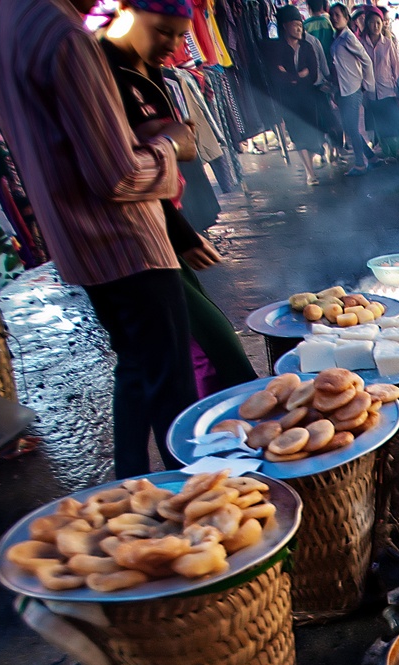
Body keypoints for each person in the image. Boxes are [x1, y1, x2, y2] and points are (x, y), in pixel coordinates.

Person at [0, 0, 197, 478]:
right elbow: (117, 175)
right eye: (164, 32)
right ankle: (194, 510)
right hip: (125, 244)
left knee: (139, 370)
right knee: (173, 396)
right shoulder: (66, 38)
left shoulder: (4, 24)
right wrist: (172, 145)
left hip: (82, 247)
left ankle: (132, 484)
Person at [102, 0, 255, 393]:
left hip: (160, 223)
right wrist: (181, 233)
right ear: (126, 13)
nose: (172, 43)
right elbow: (126, 174)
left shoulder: (147, 67)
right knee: (205, 344)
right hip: (131, 235)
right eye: (163, 31)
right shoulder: (102, 73)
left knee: (171, 352)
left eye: (178, 34)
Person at [267, 5, 330, 183]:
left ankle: (309, 165)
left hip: (308, 97)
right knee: (297, 134)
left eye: (300, 25)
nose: (298, 28)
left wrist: (290, 76)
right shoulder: (277, 48)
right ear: (285, 26)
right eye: (295, 25)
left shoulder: (307, 46)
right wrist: (298, 76)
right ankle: (310, 172)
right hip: (288, 100)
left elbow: (313, 73)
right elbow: (276, 75)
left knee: (311, 134)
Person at [328, 1, 376, 175]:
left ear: (346, 18)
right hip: (343, 89)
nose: (334, 19)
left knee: (352, 128)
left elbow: (366, 60)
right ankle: (370, 157)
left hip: (352, 89)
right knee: (350, 127)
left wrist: (366, 84)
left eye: (337, 15)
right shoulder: (338, 37)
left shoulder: (348, 38)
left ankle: (360, 164)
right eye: (332, 15)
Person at [361, 7, 399, 158]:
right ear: (367, 24)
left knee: (392, 122)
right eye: (372, 23)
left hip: (389, 90)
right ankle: (387, 153)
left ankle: (396, 151)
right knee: (380, 125)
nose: (376, 26)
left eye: (378, 22)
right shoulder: (361, 44)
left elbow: (397, 68)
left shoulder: (388, 43)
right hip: (371, 92)